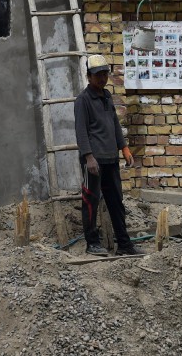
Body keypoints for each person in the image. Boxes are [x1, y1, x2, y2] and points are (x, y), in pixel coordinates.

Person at [74, 53, 139, 256]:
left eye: (104, 74)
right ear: (88, 76)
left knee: (116, 201)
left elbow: (115, 125)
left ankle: (124, 245)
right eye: (98, 75)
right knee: (91, 201)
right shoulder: (82, 100)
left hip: (111, 159)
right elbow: (81, 131)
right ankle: (92, 243)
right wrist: (88, 157)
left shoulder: (107, 96)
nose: (102, 78)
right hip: (93, 161)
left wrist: (124, 148)